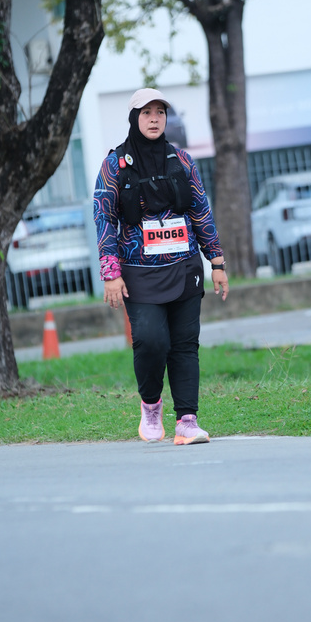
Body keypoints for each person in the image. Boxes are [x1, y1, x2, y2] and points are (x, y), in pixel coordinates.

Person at [93, 88, 228, 445]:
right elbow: (104, 217)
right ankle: (151, 405)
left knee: (184, 345)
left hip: (185, 267)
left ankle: (187, 421)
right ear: (134, 118)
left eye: (160, 112)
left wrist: (216, 261)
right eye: (146, 113)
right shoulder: (114, 165)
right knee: (151, 340)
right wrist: (111, 273)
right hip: (138, 272)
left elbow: (201, 209)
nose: (154, 119)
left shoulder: (182, 160)